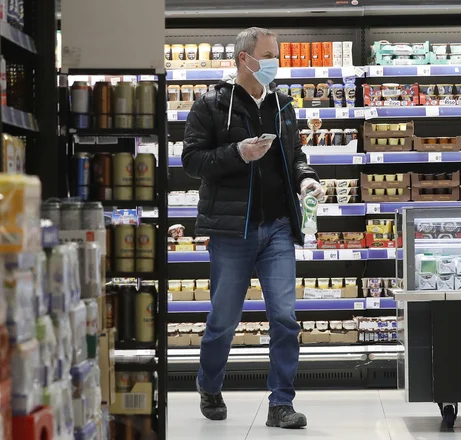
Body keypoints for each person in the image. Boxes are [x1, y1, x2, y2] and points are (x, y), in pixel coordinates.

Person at [181, 27, 324, 429]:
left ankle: (281, 404)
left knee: (284, 317)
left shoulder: (282, 104)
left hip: (278, 226)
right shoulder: (211, 104)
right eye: (269, 55)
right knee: (223, 320)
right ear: (245, 59)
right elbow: (191, 160)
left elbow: (296, 154)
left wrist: (306, 178)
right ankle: (209, 384)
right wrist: (237, 153)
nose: (276, 63)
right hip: (232, 233)